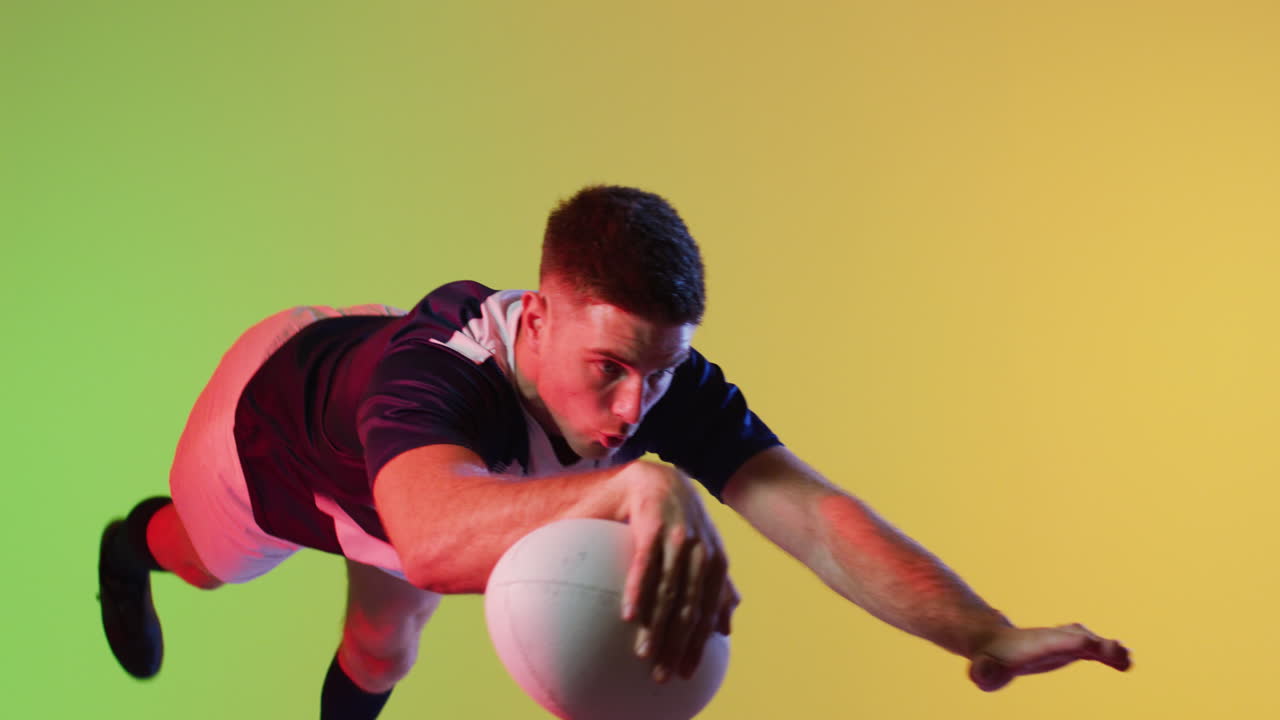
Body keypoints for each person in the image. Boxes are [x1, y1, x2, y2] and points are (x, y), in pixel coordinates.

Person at [98, 185, 1131, 718]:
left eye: (660, 370)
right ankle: (130, 545)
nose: (637, 407)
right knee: (206, 561)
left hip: (411, 489)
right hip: (272, 433)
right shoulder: (436, 373)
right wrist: (632, 486)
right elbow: (428, 537)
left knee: (382, 649)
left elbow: (812, 515)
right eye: (609, 369)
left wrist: (983, 633)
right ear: (537, 319)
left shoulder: (654, 377)